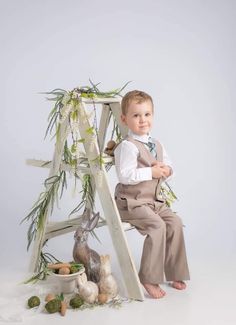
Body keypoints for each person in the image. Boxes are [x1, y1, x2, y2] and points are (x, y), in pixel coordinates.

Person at [114, 90, 190, 299]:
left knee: (174, 222)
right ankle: (148, 277)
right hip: (131, 202)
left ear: (153, 116)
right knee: (157, 226)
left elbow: (169, 167)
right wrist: (151, 171)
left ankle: (175, 272)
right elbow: (125, 176)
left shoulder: (156, 144)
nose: (142, 120)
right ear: (124, 119)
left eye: (147, 114)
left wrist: (166, 170)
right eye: (136, 115)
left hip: (152, 201)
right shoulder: (127, 147)